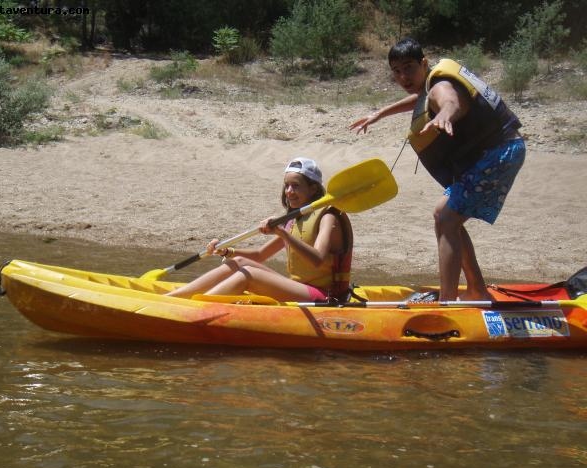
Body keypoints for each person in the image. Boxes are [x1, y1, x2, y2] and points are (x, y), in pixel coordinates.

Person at [350, 37, 525, 301]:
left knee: (446, 218)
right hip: (499, 150)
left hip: (500, 152)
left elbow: (450, 101)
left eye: (409, 68)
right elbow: (421, 99)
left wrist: (444, 116)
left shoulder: (440, 86)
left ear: (424, 63)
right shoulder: (431, 85)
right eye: (396, 71)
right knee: (446, 217)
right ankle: (476, 290)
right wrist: (380, 113)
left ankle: (447, 302)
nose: (403, 77)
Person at [166, 157, 353, 302]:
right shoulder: (295, 219)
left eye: (296, 186)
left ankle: (197, 306)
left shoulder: (328, 217)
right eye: (287, 185)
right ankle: (173, 299)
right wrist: (227, 251)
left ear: (313, 189)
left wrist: (282, 233)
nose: (289, 191)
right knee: (238, 262)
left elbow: (317, 260)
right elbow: (260, 255)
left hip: (326, 295)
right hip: (300, 287)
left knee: (249, 274)